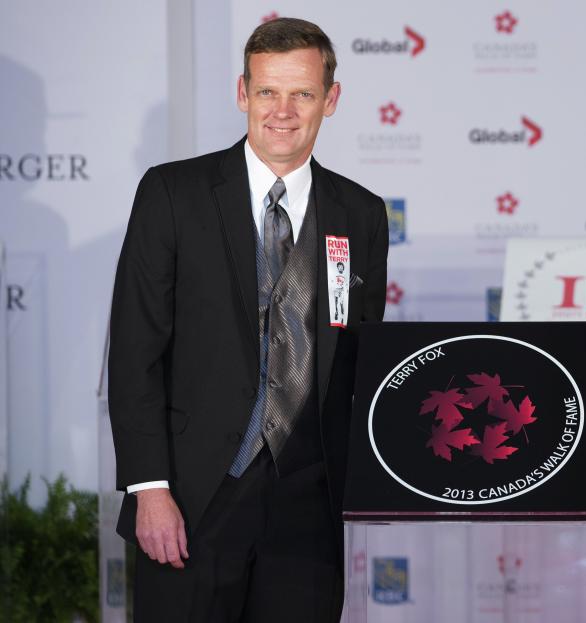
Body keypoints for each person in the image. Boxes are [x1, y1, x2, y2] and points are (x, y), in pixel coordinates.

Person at [108, 17, 387, 622]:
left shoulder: (361, 213)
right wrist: (149, 489)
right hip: (191, 500)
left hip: (309, 503)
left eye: (302, 94)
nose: (282, 111)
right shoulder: (173, 194)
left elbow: (365, 358)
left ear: (330, 100)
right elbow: (135, 353)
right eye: (267, 91)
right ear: (242, 93)